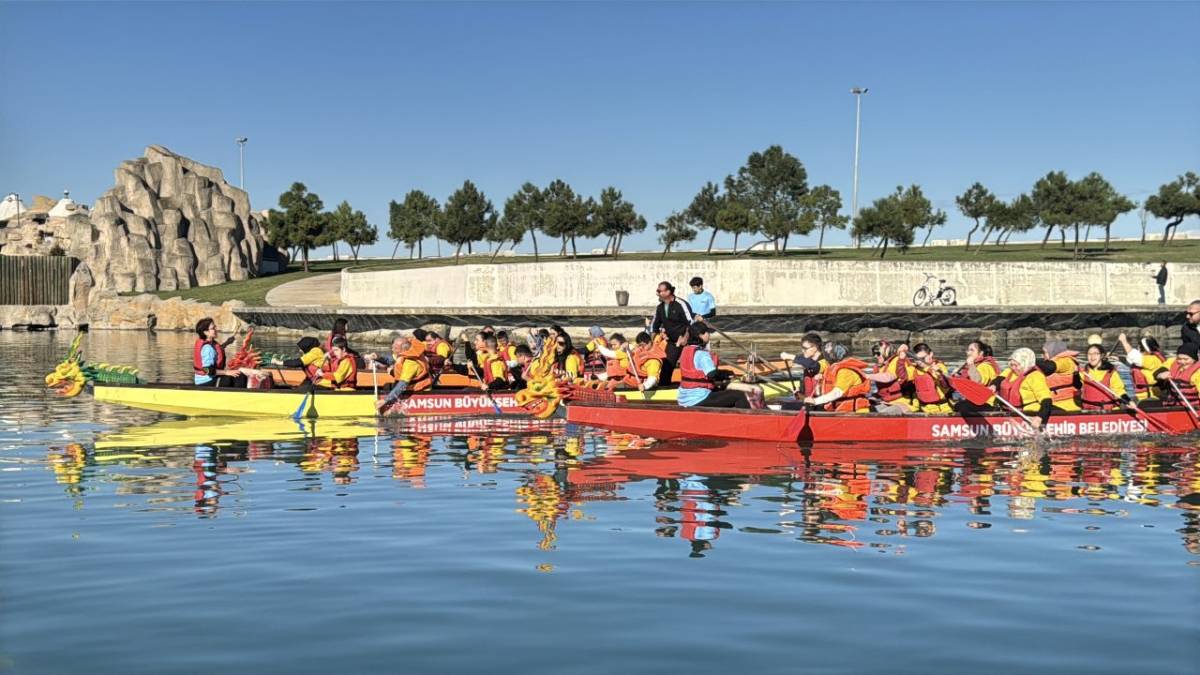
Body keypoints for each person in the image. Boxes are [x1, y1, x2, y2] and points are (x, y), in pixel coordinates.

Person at [676, 323, 748, 408]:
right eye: (707, 332)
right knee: (740, 396)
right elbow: (712, 374)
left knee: (721, 391)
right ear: (701, 335)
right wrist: (726, 374)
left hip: (683, 398)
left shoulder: (685, 350)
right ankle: (744, 420)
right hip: (698, 398)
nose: (709, 335)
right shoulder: (702, 353)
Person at [648, 281, 696, 385]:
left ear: (668, 291)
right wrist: (651, 343)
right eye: (658, 291)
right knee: (666, 366)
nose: (658, 293)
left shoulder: (681, 304)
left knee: (689, 364)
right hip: (672, 342)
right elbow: (654, 326)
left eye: (659, 291)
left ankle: (693, 385)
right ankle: (664, 387)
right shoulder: (660, 308)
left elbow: (691, 323)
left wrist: (685, 338)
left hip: (688, 340)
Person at [368, 336, 433, 413]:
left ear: (403, 349)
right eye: (392, 347)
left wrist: (385, 400)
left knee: (391, 388)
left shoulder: (410, 363)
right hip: (408, 386)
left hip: (418, 389)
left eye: (395, 348)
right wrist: (379, 358)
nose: (392, 350)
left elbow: (402, 384)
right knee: (386, 386)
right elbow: (392, 360)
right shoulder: (406, 353)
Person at [997, 347, 1053, 429]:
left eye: (1016, 365)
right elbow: (998, 379)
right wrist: (993, 386)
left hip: (1030, 414)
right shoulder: (1011, 372)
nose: (1013, 368)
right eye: (1011, 365)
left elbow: (1047, 401)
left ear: (1025, 363)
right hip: (1010, 412)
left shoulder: (1035, 376)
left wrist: (1039, 418)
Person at [192, 317, 246, 387]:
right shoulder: (208, 348)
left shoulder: (209, 344)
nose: (216, 329)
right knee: (239, 376)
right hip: (205, 382)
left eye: (215, 327)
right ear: (206, 332)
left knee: (236, 374)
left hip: (208, 379)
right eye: (213, 328)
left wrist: (227, 342)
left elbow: (217, 350)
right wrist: (226, 372)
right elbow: (207, 370)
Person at [1117, 333, 1165, 402]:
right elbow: (1130, 361)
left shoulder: (1154, 360)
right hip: (1140, 396)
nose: (1137, 349)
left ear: (1143, 349)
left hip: (1151, 397)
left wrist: (1124, 342)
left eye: (1139, 347)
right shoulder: (1145, 360)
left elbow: (1135, 357)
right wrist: (1117, 359)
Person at [1079, 343, 1128, 411]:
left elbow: (1119, 390)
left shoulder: (1111, 373)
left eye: (1095, 353)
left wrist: (1128, 401)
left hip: (1107, 412)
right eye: (1089, 354)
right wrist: (1075, 373)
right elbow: (1076, 386)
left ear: (1101, 356)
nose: (1092, 356)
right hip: (1088, 411)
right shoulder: (1083, 373)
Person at [871, 341, 915, 412]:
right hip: (887, 401)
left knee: (882, 414)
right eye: (874, 353)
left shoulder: (898, 361)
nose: (875, 356)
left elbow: (898, 377)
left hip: (902, 402)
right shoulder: (880, 367)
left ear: (887, 352)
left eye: (878, 353)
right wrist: (875, 397)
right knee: (869, 409)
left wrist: (867, 376)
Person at [1154, 342, 1200, 409]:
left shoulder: (1197, 372)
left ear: (1194, 359)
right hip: (1172, 407)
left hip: (1192, 408)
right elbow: (1157, 372)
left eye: (1186, 359)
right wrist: (1160, 375)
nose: (1182, 362)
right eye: (1179, 358)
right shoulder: (1173, 362)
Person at [910, 343, 953, 413]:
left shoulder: (940, 367)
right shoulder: (914, 369)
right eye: (916, 359)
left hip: (942, 407)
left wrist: (940, 376)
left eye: (923, 358)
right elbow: (902, 377)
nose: (919, 362)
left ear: (931, 354)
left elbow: (946, 386)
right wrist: (901, 359)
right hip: (923, 407)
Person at [1041, 340, 1081, 412]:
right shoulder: (1051, 362)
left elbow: (1050, 367)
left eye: (1044, 353)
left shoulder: (1066, 362)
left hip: (1066, 407)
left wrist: (1029, 363)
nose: (1042, 355)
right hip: (1053, 404)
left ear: (1053, 352)